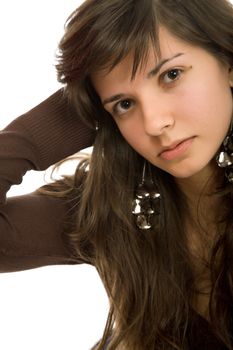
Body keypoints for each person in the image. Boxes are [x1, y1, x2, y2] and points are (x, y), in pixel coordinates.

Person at [0, 0, 233, 349]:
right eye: (124, 104)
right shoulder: (113, 207)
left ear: (228, 61)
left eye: (171, 75)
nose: (155, 123)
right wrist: (42, 133)